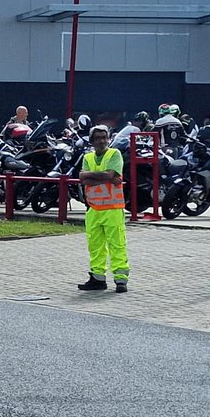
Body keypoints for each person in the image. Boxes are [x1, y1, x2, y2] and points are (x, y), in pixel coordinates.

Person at [78, 124, 130, 293]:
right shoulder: (88, 157)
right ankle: (97, 278)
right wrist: (106, 178)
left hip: (113, 208)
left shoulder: (114, 154)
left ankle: (121, 280)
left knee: (117, 244)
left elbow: (104, 175)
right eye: (98, 138)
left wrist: (92, 176)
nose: (101, 141)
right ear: (92, 141)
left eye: (104, 137)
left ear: (108, 139)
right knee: (95, 245)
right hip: (93, 208)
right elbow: (84, 180)